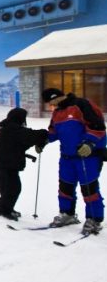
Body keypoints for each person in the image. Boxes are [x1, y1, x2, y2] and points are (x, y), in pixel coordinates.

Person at [42, 88, 105, 235]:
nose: (51, 105)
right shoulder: (57, 113)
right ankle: (67, 214)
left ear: (56, 97)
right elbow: (53, 131)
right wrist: (43, 140)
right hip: (67, 157)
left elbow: (98, 127)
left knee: (89, 188)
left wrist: (90, 143)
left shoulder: (81, 105)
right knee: (65, 187)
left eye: (51, 102)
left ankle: (94, 219)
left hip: (87, 157)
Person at [0, 108, 49, 220]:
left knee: (7, 188)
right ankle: (3, 210)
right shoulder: (13, 128)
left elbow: (21, 142)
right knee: (13, 188)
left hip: (3, 162)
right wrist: (44, 134)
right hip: (7, 163)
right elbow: (30, 136)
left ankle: (4, 208)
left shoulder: (6, 127)